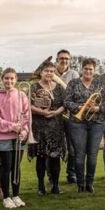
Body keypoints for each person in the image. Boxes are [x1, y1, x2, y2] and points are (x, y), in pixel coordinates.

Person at [0, 68, 30, 209]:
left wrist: (24, 131)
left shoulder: (22, 95)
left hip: (19, 136)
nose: (9, 81)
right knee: (6, 166)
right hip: (3, 136)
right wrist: (12, 126)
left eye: (12, 78)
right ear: (2, 79)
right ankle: (6, 197)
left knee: (16, 167)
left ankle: (16, 195)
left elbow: (26, 115)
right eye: (6, 78)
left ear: (16, 80)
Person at [63, 59, 105, 193]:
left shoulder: (100, 84)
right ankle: (80, 184)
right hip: (77, 122)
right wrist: (80, 107)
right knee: (79, 154)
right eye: (86, 68)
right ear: (82, 69)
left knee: (92, 154)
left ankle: (90, 183)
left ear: (95, 70)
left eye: (91, 69)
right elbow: (66, 101)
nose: (88, 71)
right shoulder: (73, 83)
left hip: (96, 122)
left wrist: (97, 108)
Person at [29, 61, 66, 195]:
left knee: (55, 157)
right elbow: (28, 105)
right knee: (41, 157)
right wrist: (42, 112)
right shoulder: (34, 87)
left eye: (51, 71)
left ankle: (55, 186)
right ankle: (41, 187)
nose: (49, 73)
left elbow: (65, 104)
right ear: (41, 72)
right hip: (40, 126)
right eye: (46, 71)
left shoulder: (59, 88)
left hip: (56, 125)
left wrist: (56, 112)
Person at [55, 49, 80, 184]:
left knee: (72, 147)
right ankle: (52, 175)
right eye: (61, 58)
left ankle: (71, 174)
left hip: (70, 114)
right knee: (53, 146)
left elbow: (76, 92)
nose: (64, 61)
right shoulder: (49, 72)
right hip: (54, 114)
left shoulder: (74, 74)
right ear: (57, 60)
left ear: (70, 60)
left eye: (66, 58)